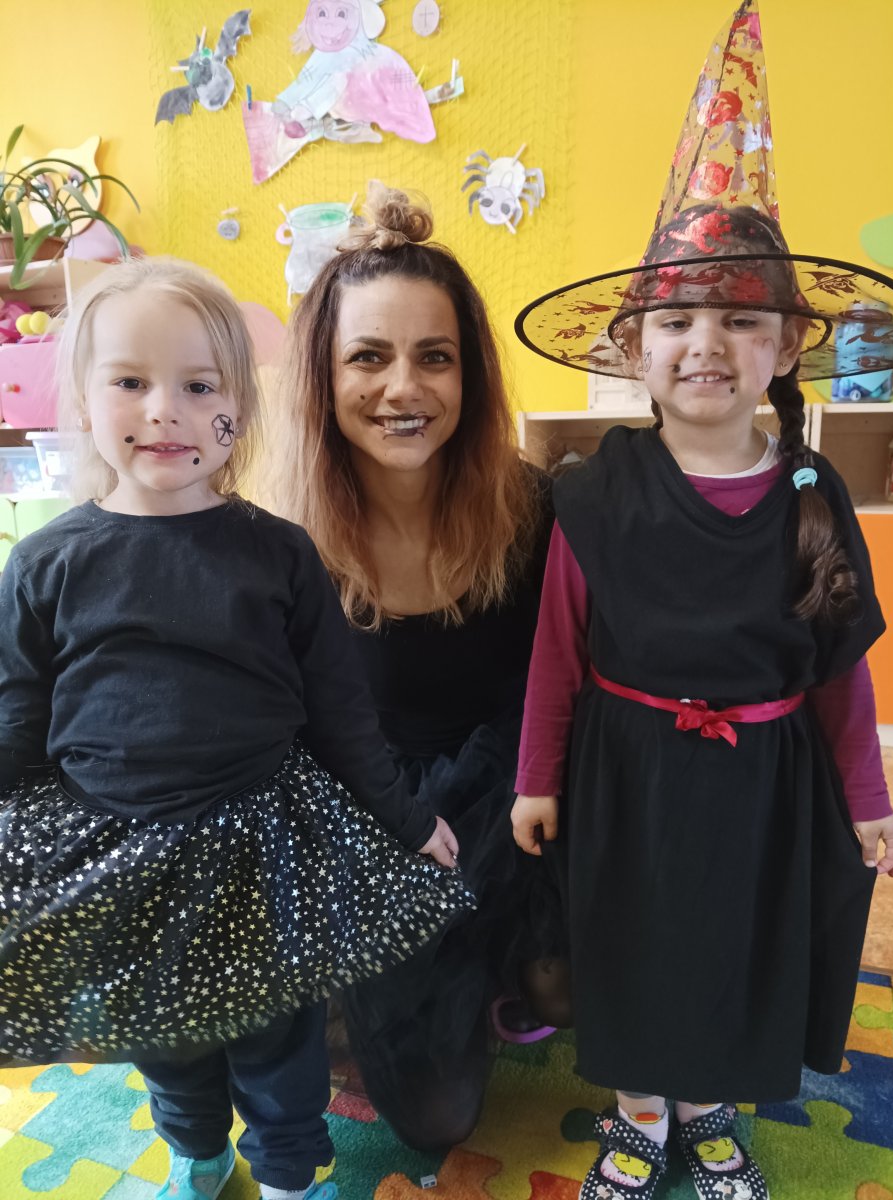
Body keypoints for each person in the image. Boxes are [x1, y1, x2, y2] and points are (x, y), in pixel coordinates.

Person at [510, 4, 893, 1198]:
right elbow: (558, 652)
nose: (706, 344)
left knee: (735, 946)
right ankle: (639, 1112)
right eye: (677, 320)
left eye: (740, 320)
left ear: (785, 345)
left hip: (764, 782)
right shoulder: (595, 494)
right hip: (625, 773)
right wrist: (535, 776)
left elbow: (837, 669)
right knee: (631, 945)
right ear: (635, 347)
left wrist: (868, 797)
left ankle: (708, 1106)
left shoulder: (810, 493)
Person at [0, 256, 473, 1200]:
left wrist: (407, 818)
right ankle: (197, 1152)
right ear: (84, 403)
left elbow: (341, 714)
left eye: (199, 386)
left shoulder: (279, 554)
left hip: (259, 842)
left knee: (276, 1040)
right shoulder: (46, 562)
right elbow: (17, 712)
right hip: (115, 849)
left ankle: (289, 1174)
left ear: (240, 411)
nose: (164, 411)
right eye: (130, 382)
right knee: (163, 1036)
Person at [265, 182, 569, 1152]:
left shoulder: (530, 509)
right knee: (437, 1119)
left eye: (434, 357)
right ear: (322, 376)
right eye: (369, 356)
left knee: (562, 987)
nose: (404, 388)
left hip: (507, 795)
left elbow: (554, 689)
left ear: (468, 375)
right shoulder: (279, 543)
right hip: (369, 810)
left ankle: (500, 964)